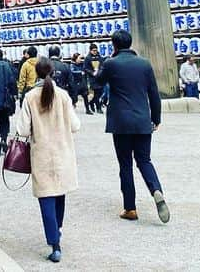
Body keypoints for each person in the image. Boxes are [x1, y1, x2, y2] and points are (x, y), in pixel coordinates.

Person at [95, 29, 169, 224]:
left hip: (121, 122)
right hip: (143, 119)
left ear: (114, 45)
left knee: (125, 164)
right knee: (144, 160)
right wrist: (156, 118)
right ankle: (156, 190)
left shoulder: (111, 63)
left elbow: (98, 81)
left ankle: (130, 208)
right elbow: (154, 93)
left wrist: (104, 65)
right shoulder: (144, 64)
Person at [16, 56, 80, 264]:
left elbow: (23, 129)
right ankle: (58, 231)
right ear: (52, 72)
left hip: (41, 153)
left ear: (36, 73)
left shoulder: (30, 97)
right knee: (59, 193)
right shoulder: (62, 95)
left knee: (46, 197)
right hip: (63, 151)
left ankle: (54, 244)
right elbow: (75, 125)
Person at [83, 44, 104, 113]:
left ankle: (92, 102)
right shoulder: (88, 58)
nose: (95, 52)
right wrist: (92, 73)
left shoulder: (99, 57)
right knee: (96, 93)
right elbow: (85, 68)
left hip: (99, 77)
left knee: (100, 92)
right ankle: (98, 108)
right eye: (93, 50)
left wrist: (100, 71)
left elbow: (102, 65)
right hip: (92, 78)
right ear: (90, 50)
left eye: (96, 50)